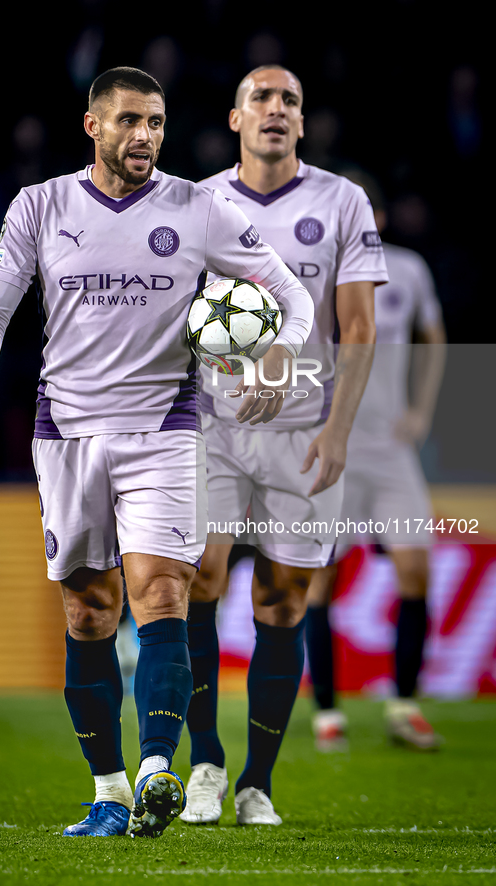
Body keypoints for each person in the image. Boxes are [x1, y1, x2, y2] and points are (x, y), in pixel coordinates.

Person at [0, 67, 315, 839]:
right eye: (129, 121)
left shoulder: (196, 207)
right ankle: (108, 789)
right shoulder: (41, 206)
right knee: (88, 610)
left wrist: (278, 354)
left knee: (161, 593)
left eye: (155, 121)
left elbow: (292, 294)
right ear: (93, 127)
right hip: (68, 434)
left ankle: (155, 766)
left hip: (166, 431)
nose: (144, 135)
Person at [181, 66, 387, 827]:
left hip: (305, 435)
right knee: (200, 573)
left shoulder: (341, 201)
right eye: (260, 100)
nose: (275, 110)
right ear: (235, 120)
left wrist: (337, 433)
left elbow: (359, 329)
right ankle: (205, 760)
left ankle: (255, 783)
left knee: (282, 598)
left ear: (301, 123)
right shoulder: (196, 201)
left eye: (288, 102)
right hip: (212, 428)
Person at [305, 172, 446, 752]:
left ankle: (404, 706)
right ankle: (327, 715)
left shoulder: (408, 269)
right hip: (331, 444)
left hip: (390, 449)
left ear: (379, 219)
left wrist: (421, 410)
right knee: (322, 580)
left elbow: (434, 339)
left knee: (417, 571)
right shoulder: (311, 269)